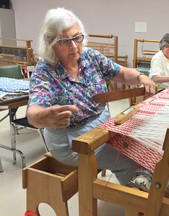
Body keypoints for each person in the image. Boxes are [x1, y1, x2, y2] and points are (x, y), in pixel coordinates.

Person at [26, 8, 156, 191]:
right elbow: (34, 110)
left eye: (77, 38)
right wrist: (41, 117)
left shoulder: (89, 57)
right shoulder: (45, 70)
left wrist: (141, 77)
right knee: (131, 159)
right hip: (72, 141)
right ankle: (140, 199)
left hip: (103, 128)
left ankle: (141, 188)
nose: (74, 46)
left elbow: (123, 73)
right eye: (64, 41)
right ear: (51, 43)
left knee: (144, 143)